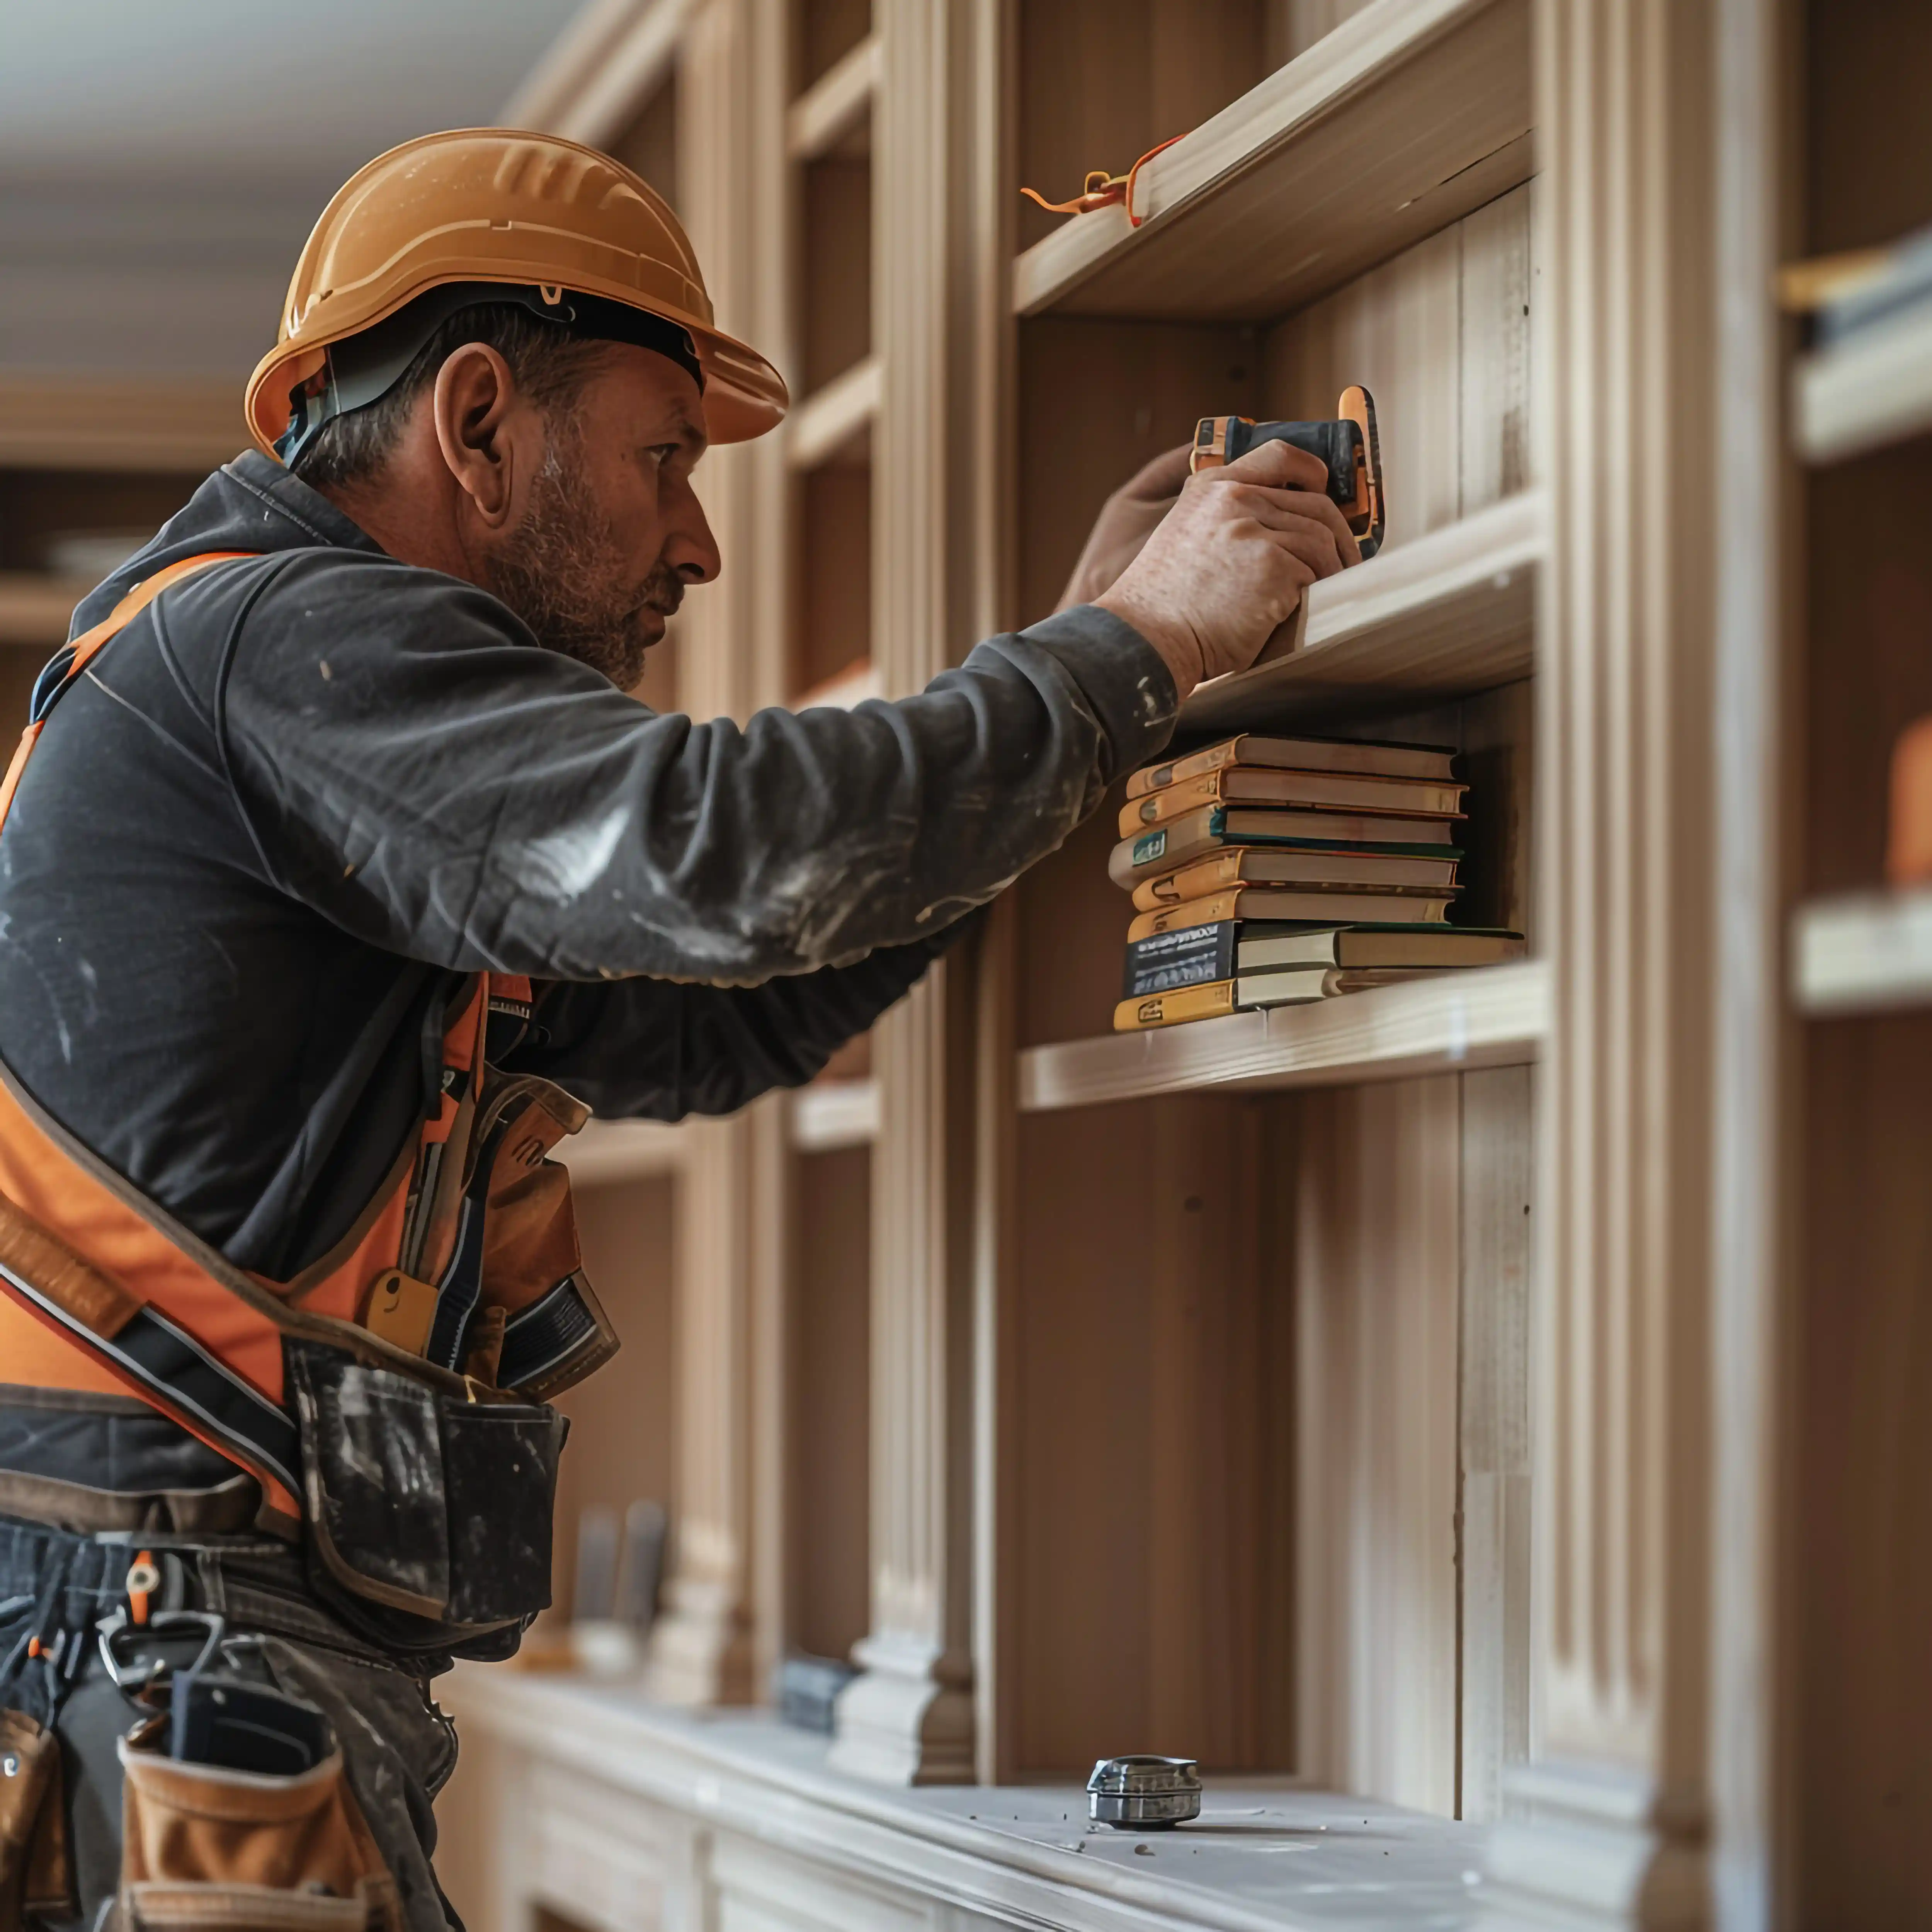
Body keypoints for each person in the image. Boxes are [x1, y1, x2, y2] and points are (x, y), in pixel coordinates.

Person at [0, 130, 1359, 1932]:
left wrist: (1087, 670)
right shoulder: (284, 641)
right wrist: (1131, 645)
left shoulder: (281, 704)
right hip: (168, 1642)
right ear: (478, 422)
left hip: (171, 1634)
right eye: (663, 458)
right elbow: (722, 851)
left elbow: (724, 1010)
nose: (700, 537)